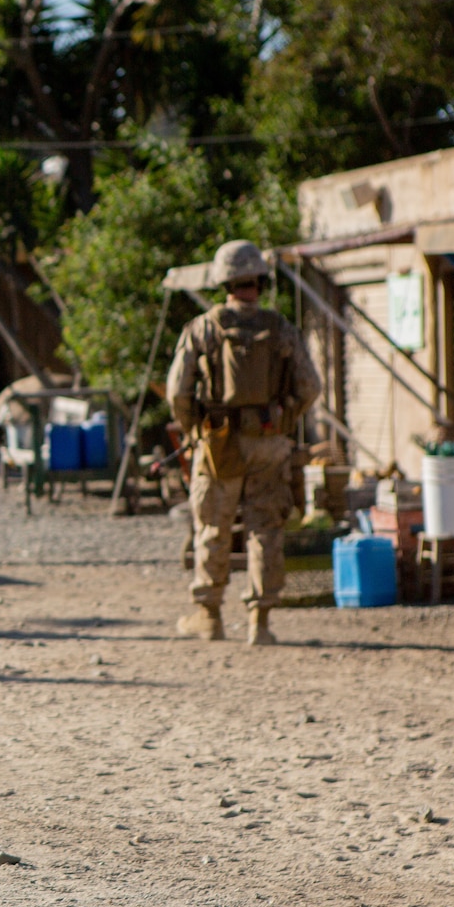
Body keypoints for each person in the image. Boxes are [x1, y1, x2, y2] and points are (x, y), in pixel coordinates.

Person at [166, 240, 321, 646]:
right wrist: (282, 419)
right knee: (265, 529)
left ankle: (209, 616)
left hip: (219, 445)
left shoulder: (202, 328)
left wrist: (194, 429)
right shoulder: (281, 328)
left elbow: (177, 393)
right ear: (260, 280)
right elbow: (310, 386)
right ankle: (260, 622)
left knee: (213, 528)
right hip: (269, 444)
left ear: (224, 281)